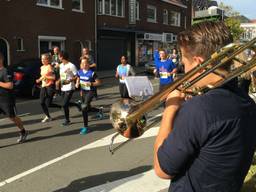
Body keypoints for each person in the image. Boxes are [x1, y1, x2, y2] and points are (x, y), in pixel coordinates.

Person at [154, 21, 256, 192]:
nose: (184, 70)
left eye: (184, 62)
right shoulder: (247, 102)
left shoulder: (198, 109)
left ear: (199, 63)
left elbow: (162, 169)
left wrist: (170, 109)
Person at [0, 52, 28, 143]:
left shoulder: (6, 71)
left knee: (12, 117)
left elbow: (10, 85)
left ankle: (23, 131)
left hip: (6, 98)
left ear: (1, 59)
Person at [75, 57, 103, 134]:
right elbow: (78, 78)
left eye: (86, 63)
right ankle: (99, 110)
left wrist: (91, 83)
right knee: (87, 108)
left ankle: (85, 127)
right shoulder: (79, 72)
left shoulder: (92, 73)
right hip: (83, 92)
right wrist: (77, 83)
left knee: (84, 107)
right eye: (82, 63)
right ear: (80, 65)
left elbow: (99, 82)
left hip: (91, 92)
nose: (84, 65)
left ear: (89, 64)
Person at [36, 53, 61, 123]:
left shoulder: (50, 67)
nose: (42, 60)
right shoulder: (42, 67)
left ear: (48, 60)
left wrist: (46, 77)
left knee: (48, 104)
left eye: (44, 59)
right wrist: (39, 79)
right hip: (44, 86)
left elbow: (53, 77)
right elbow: (43, 76)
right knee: (41, 102)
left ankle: (61, 107)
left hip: (50, 86)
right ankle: (48, 116)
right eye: (42, 59)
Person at [58, 51, 78, 126]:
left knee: (64, 104)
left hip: (70, 87)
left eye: (59, 56)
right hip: (63, 87)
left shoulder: (71, 65)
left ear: (62, 57)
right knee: (65, 104)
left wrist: (70, 80)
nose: (58, 58)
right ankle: (77, 105)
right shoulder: (61, 65)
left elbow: (77, 75)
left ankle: (67, 120)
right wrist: (58, 81)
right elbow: (62, 76)